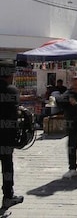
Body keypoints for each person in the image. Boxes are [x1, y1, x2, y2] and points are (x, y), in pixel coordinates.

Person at [0, 61, 24, 210]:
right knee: (7, 166)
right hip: (5, 137)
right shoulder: (11, 90)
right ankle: (8, 197)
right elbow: (15, 114)